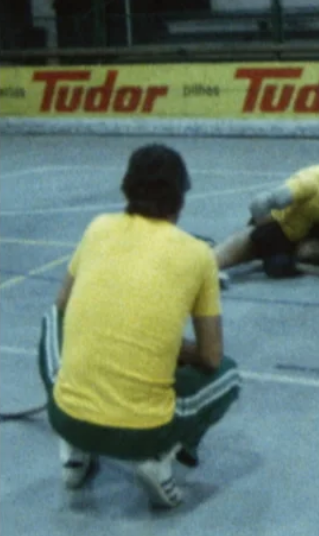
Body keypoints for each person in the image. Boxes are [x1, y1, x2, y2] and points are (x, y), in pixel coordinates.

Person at [37, 144, 241, 509]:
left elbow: (63, 306)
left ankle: (77, 448)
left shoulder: (97, 227)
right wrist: (171, 346)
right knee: (228, 376)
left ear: (127, 188)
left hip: (65, 417)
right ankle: (161, 459)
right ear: (180, 198)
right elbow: (211, 357)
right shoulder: (198, 255)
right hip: (143, 434)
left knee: (51, 320)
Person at [213, 163, 319, 280]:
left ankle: (314, 253)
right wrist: (262, 226)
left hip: (309, 227)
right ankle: (206, 264)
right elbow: (259, 203)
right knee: (269, 257)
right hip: (279, 226)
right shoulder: (308, 185)